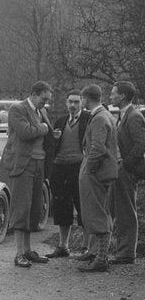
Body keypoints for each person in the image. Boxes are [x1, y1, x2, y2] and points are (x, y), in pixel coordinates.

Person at [0, 81, 53, 268]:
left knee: (34, 208)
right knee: (21, 207)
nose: (45, 103)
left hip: (39, 163)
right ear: (34, 94)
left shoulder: (41, 111)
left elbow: (42, 133)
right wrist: (44, 129)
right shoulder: (17, 109)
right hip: (22, 164)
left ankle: (28, 250)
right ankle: (19, 253)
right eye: (43, 99)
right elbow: (25, 132)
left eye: (47, 100)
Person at [74, 84, 119, 272]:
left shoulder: (99, 118)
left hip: (97, 172)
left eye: (81, 99)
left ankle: (101, 259)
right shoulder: (105, 115)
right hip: (103, 170)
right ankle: (99, 256)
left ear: (86, 98)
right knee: (100, 211)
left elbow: (98, 147)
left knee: (97, 213)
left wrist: (89, 169)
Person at [45, 90, 90, 258]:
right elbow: (51, 145)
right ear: (66, 103)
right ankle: (63, 246)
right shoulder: (60, 121)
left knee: (83, 206)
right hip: (59, 168)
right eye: (70, 101)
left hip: (79, 167)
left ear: (82, 102)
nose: (73, 105)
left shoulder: (88, 119)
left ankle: (86, 247)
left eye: (76, 102)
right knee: (61, 207)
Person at [108, 81, 145, 264]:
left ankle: (126, 253)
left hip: (127, 171)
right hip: (121, 169)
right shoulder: (125, 115)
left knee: (126, 211)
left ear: (122, 96)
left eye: (113, 93)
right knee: (120, 209)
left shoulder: (134, 116)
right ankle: (123, 251)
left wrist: (126, 165)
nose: (110, 96)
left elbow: (140, 144)